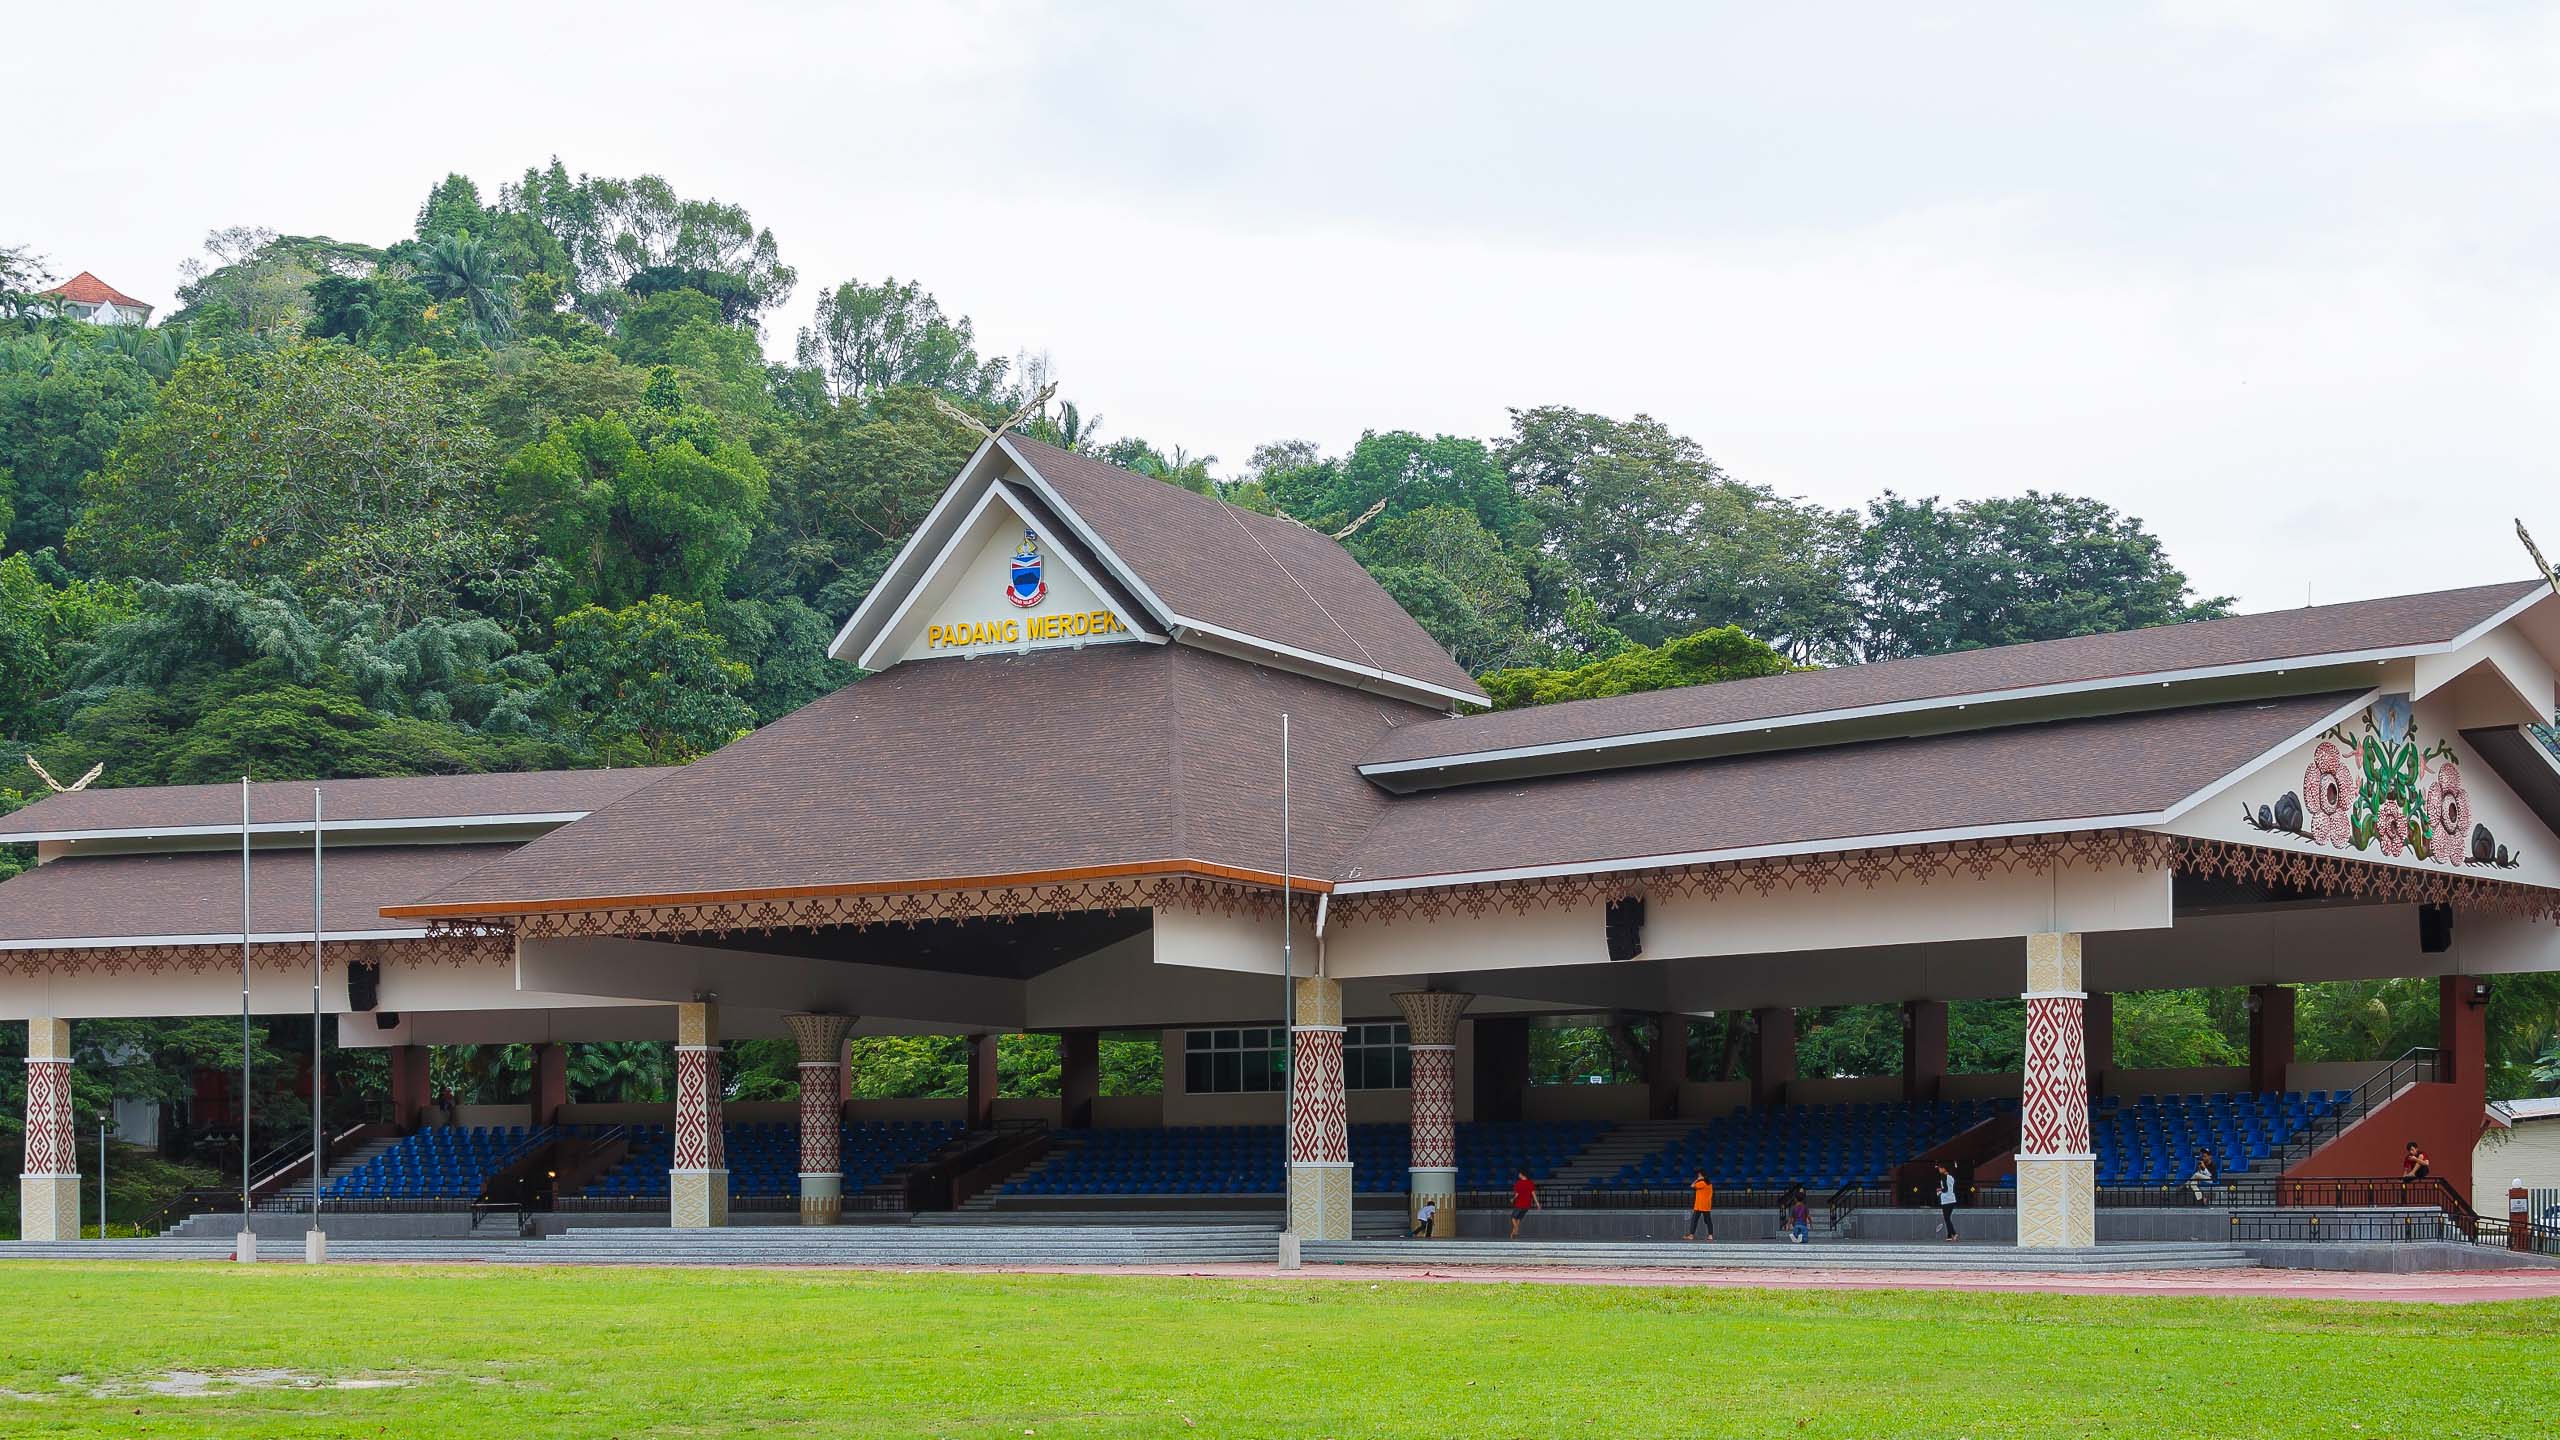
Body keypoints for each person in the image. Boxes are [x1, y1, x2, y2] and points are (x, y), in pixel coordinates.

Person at [1508, 1171, 1539, 1239]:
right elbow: (1533, 1194)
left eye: (1519, 1174)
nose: (1518, 1175)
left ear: (1522, 1175)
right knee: (1518, 1218)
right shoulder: (1530, 1183)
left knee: (1513, 1218)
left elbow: (1517, 1194)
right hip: (1527, 1204)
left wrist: (1513, 1199)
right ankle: (1514, 1233)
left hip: (1519, 1203)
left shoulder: (1518, 1183)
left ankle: (1516, 1229)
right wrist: (1537, 1204)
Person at [1686, 1171, 1715, 1242]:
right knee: (1708, 1221)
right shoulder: (1709, 1184)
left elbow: (1692, 1185)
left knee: (1694, 1220)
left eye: (1699, 1176)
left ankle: (1691, 1235)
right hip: (1706, 1205)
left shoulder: (1701, 1183)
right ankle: (1710, 1235)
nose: (1698, 1177)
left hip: (1699, 1205)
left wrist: (1697, 1180)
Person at [1935, 1163, 1961, 1242]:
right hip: (1952, 1199)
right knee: (1947, 1219)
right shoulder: (1951, 1177)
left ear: (1944, 1169)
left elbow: (1945, 1189)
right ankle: (1949, 1236)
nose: (1939, 1170)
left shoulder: (1943, 1177)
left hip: (1946, 1200)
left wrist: (1939, 1190)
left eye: (1940, 1168)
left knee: (1947, 1219)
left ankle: (1954, 1233)